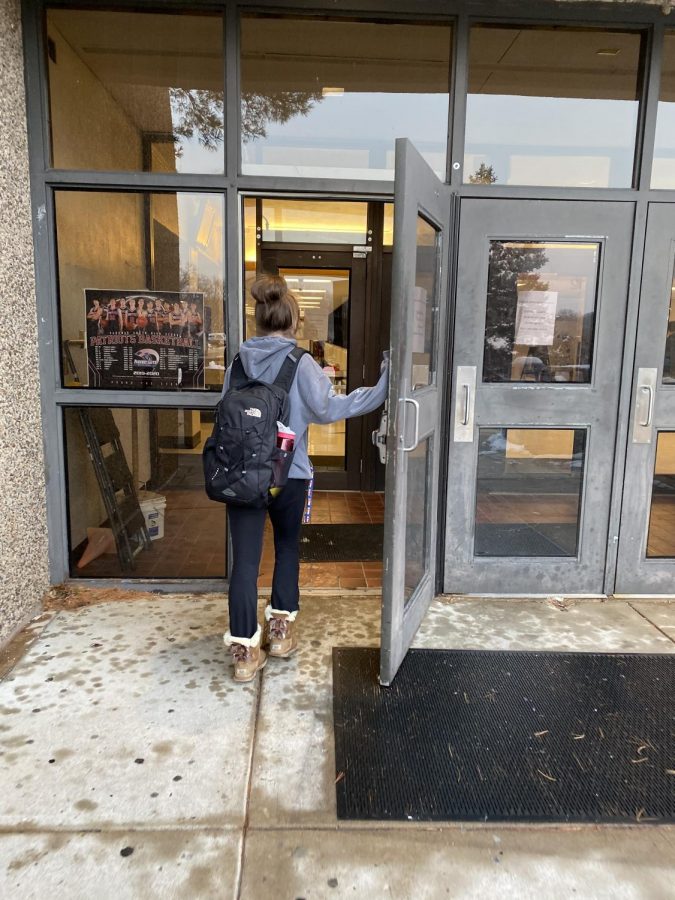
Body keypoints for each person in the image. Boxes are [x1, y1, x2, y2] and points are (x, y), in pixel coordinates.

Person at [222, 274, 389, 683]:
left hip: (243, 476)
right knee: (287, 547)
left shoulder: (238, 362)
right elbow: (331, 409)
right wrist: (383, 386)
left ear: (258, 321)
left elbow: (223, 411)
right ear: (293, 323)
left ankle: (244, 652)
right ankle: (279, 633)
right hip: (288, 475)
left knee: (243, 562)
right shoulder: (302, 363)